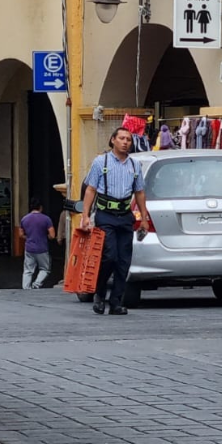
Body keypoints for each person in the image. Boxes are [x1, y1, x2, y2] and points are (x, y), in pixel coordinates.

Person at [81, 127, 150, 316]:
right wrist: (85, 216)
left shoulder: (135, 165)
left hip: (125, 215)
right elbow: (90, 190)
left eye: (128, 139)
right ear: (113, 140)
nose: (125, 142)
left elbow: (140, 192)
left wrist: (144, 218)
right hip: (105, 215)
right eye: (121, 138)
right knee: (109, 255)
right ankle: (99, 293)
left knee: (123, 260)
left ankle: (116, 302)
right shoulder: (100, 162)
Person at [18, 198, 57, 289]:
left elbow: (20, 234)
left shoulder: (24, 219)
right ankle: (36, 284)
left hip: (29, 248)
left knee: (28, 270)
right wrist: (45, 237)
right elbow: (52, 235)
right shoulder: (46, 219)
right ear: (41, 207)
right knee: (45, 269)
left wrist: (29, 237)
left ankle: (26, 287)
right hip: (42, 248)